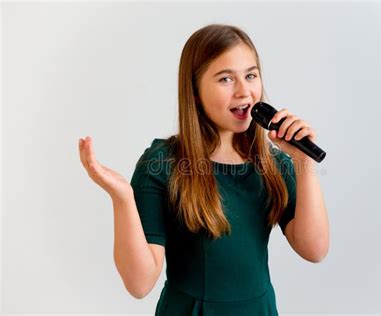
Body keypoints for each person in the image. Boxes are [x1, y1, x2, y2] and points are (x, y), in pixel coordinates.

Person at [78, 23, 329, 316]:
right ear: (195, 92)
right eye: (225, 79)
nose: (244, 91)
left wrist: (303, 162)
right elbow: (139, 283)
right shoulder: (162, 165)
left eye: (250, 75)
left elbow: (315, 249)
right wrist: (122, 198)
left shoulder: (275, 165)